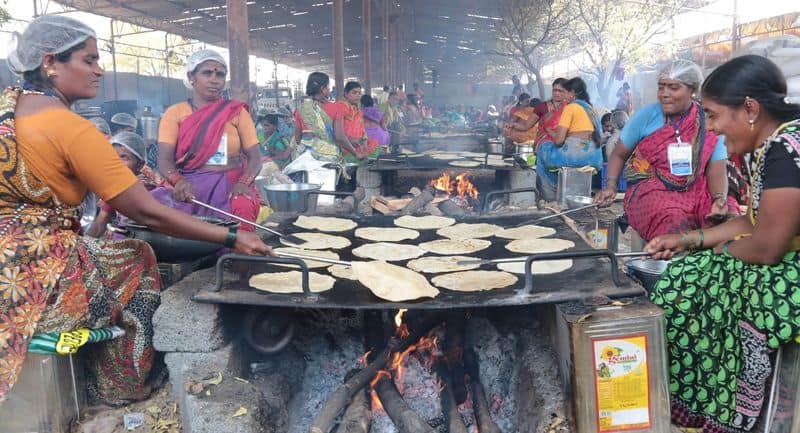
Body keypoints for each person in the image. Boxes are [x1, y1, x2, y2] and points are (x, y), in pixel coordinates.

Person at [0, 15, 271, 407]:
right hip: (35, 273)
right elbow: (149, 213)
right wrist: (232, 236)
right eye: (89, 60)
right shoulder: (71, 129)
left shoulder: (8, 111)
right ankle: (123, 382)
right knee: (137, 257)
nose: (100, 70)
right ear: (49, 63)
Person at [645, 54, 800, 433]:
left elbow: (767, 247)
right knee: (688, 269)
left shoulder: (784, 149)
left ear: (749, 108)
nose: (711, 129)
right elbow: (753, 220)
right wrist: (690, 239)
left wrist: (720, 251)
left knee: (688, 286)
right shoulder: (774, 143)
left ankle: (719, 411)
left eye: (713, 116)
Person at [595, 60, 738, 240]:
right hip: (653, 190)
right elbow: (619, 154)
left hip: (697, 190)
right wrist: (610, 186)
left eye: (673, 88)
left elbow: (716, 167)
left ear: (692, 89)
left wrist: (719, 199)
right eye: (661, 87)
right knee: (673, 221)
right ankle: (673, 266)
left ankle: (711, 266)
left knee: (730, 219)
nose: (664, 94)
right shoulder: (646, 116)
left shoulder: (707, 121)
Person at [150, 49, 262, 230]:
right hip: (189, 183)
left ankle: (236, 257)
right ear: (191, 77)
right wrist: (177, 181)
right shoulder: (175, 113)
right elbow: (164, 159)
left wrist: (243, 183)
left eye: (220, 74)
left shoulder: (237, 112)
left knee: (242, 208)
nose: (214, 79)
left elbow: (255, 158)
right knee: (155, 210)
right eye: (207, 73)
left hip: (231, 181)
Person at [536, 77, 604, 200]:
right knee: (555, 157)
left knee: (542, 148)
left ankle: (549, 197)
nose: (563, 96)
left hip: (577, 155)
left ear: (572, 93)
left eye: (565, 92)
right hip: (595, 158)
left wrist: (549, 134)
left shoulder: (570, 107)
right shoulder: (591, 109)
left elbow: (559, 141)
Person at [85, 132, 161, 238]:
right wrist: (83, 245)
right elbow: (100, 222)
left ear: (140, 164)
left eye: (124, 157)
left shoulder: (152, 190)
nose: (117, 163)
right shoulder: (118, 188)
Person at [294, 72, 362, 162]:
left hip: (304, 158)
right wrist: (356, 153)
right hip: (327, 158)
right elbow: (340, 137)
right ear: (323, 89)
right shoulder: (336, 108)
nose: (329, 90)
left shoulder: (300, 109)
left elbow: (298, 138)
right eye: (328, 87)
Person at [339, 81, 380, 163]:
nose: (358, 95)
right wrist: (350, 140)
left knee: (378, 154)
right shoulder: (340, 108)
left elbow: (362, 129)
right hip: (345, 147)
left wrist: (364, 141)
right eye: (354, 93)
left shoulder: (358, 111)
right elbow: (337, 133)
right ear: (346, 94)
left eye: (359, 93)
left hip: (359, 145)